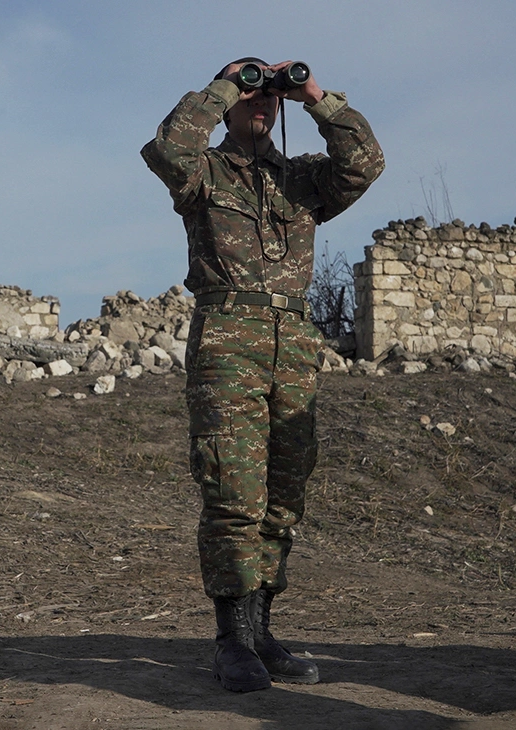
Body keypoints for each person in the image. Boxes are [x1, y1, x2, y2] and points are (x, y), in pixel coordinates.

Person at [140, 57, 384, 692]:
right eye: (251, 93)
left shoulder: (302, 180)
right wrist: (226, 85)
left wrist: (313, 97)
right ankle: (233, 641)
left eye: (266, 95)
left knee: (284, 495)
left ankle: (263, 629)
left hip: (294, 347)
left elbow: (365, 164)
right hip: (227, 342)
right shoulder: (204, 171)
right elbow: (168, 148)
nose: (260, 102)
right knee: (232, 491)